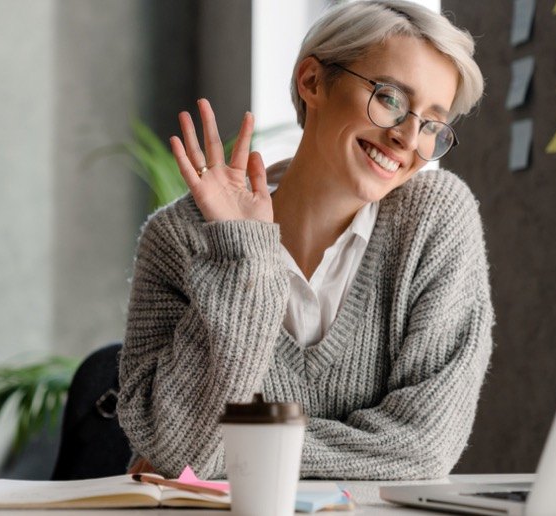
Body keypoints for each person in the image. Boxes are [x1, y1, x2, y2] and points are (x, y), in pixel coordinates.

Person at [117, 0, 491, 480]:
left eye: (432, 124)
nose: (407, 138)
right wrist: (242, 258)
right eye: (391, 99)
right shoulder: (177, 239)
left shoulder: (434, 221)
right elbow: (179, 453)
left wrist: (233, 455)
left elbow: (424, 448)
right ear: (312, 81)